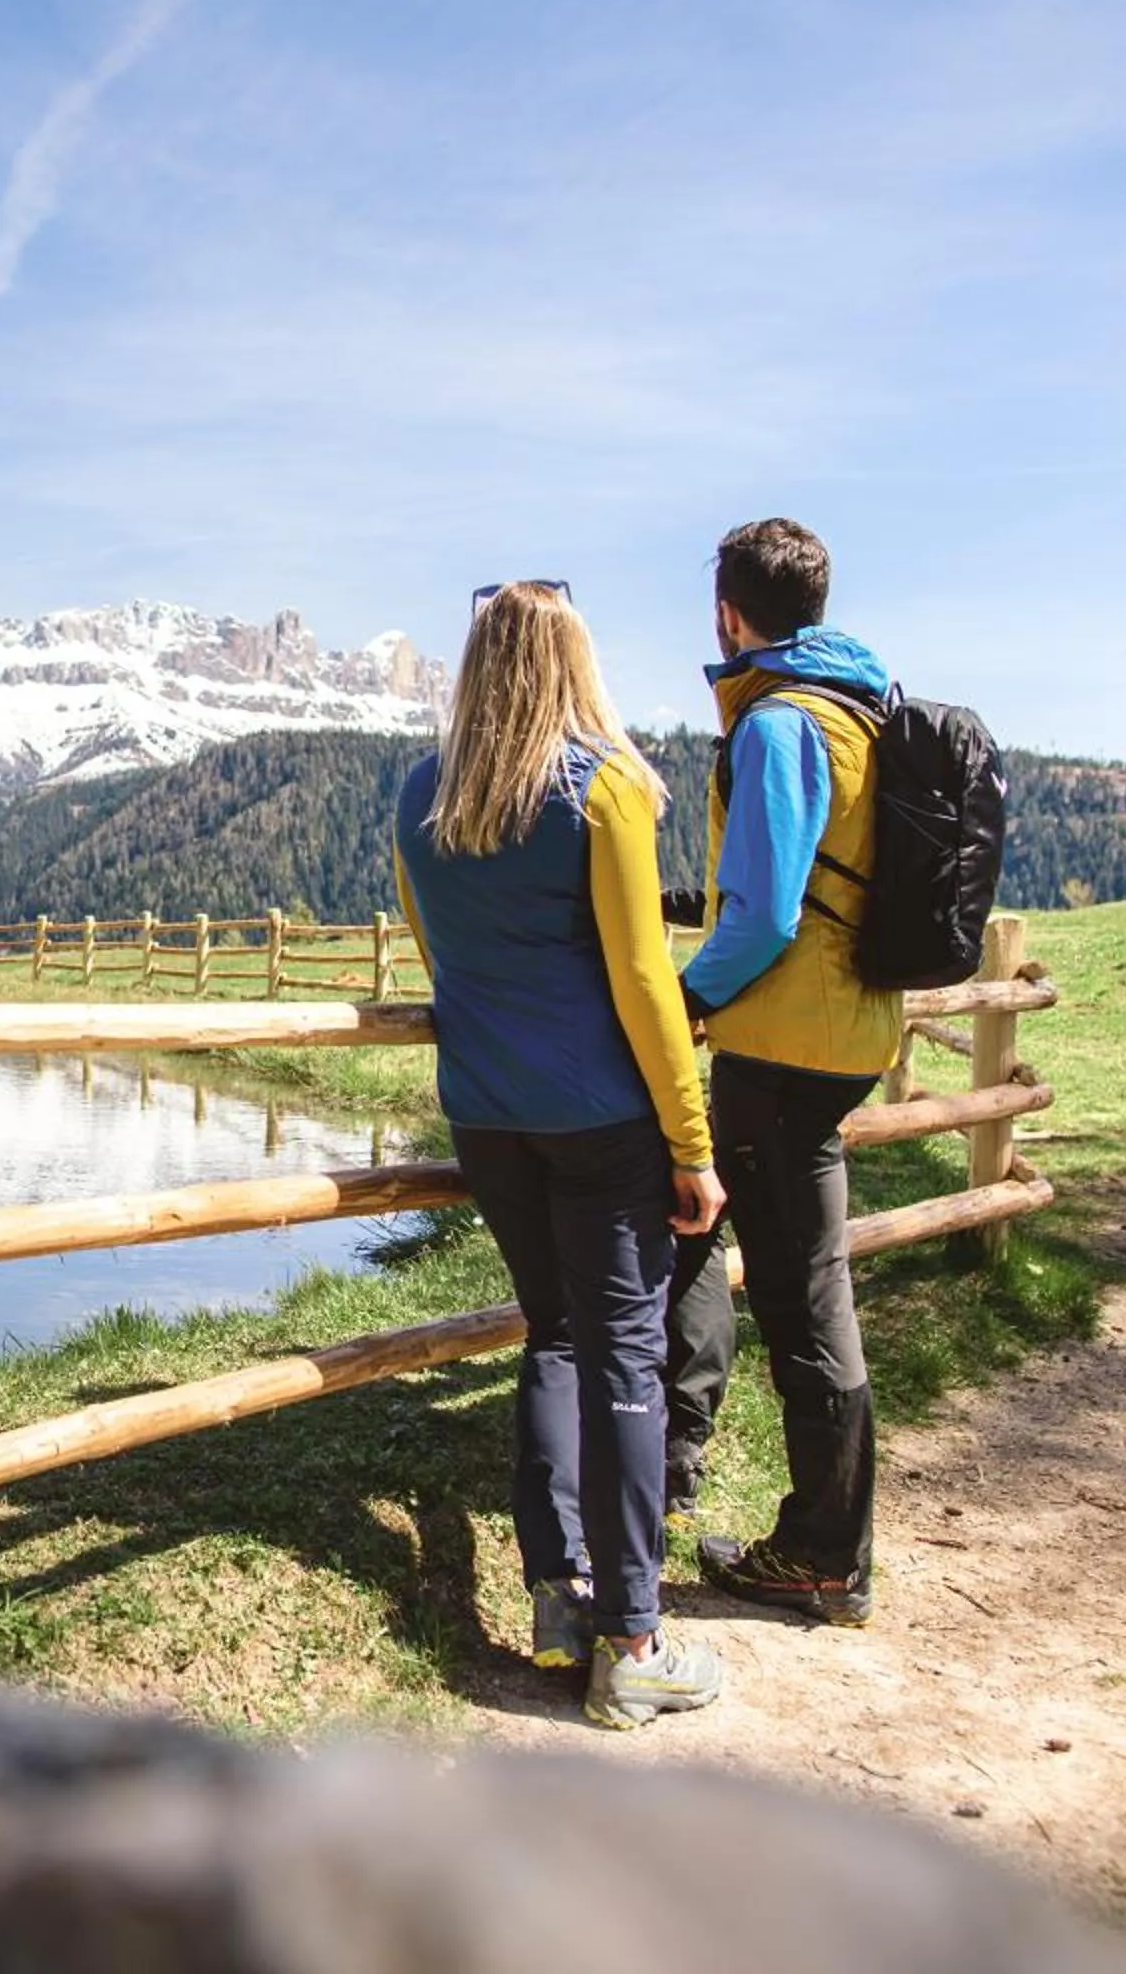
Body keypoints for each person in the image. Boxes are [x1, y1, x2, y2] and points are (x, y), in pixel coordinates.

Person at [392, 578, 729, 1730]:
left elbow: (438, 946)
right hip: (600, 1117)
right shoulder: (605, 785)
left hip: (487, 1113)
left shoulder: (420, 796)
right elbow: (644, 981)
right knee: (625, 1350)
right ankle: (634, 1639)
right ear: (578, 661)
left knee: (556, 1333)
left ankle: (560, 1590)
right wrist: (692, 1141)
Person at [661, 518, 902, 1626]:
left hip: (782, 1046)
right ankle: (672, 1453)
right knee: (696, 1229)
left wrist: (687, 997)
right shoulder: (857, 706)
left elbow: (763, 911)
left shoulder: (778, 723)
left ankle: (821, 1555)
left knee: (806, 1302)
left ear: (727, 613)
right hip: (847, 1032)